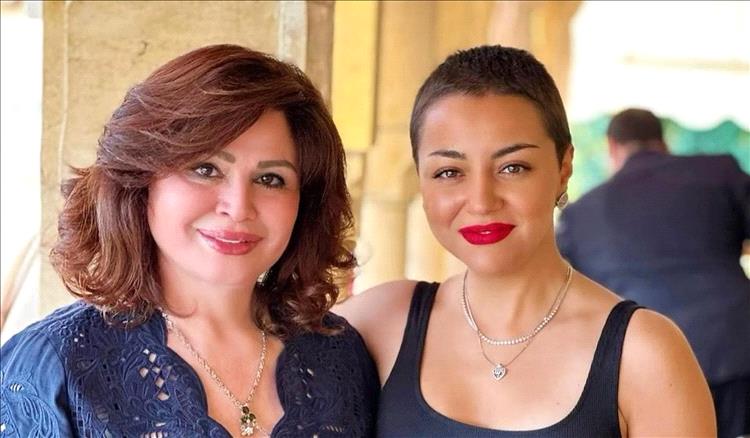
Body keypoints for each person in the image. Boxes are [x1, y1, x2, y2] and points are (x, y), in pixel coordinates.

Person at [0, 44, 378, 437]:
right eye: (205, 169)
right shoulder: (55, 366)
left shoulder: (340, 358)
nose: (238, 207)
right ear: (141, 180)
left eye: (270, 179)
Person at [336, 46, 716, 436]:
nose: (481, 201)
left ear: (564, 167)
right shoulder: (379, 323)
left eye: (512, 167)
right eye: (449, 172)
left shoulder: (645, 353)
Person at [556, 108, 750, 438]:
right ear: (663, 141)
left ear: (612, 147)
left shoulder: (581, 214)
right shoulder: (720, 172)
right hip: (736, 347)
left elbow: (567, 294)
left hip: (645, 366)